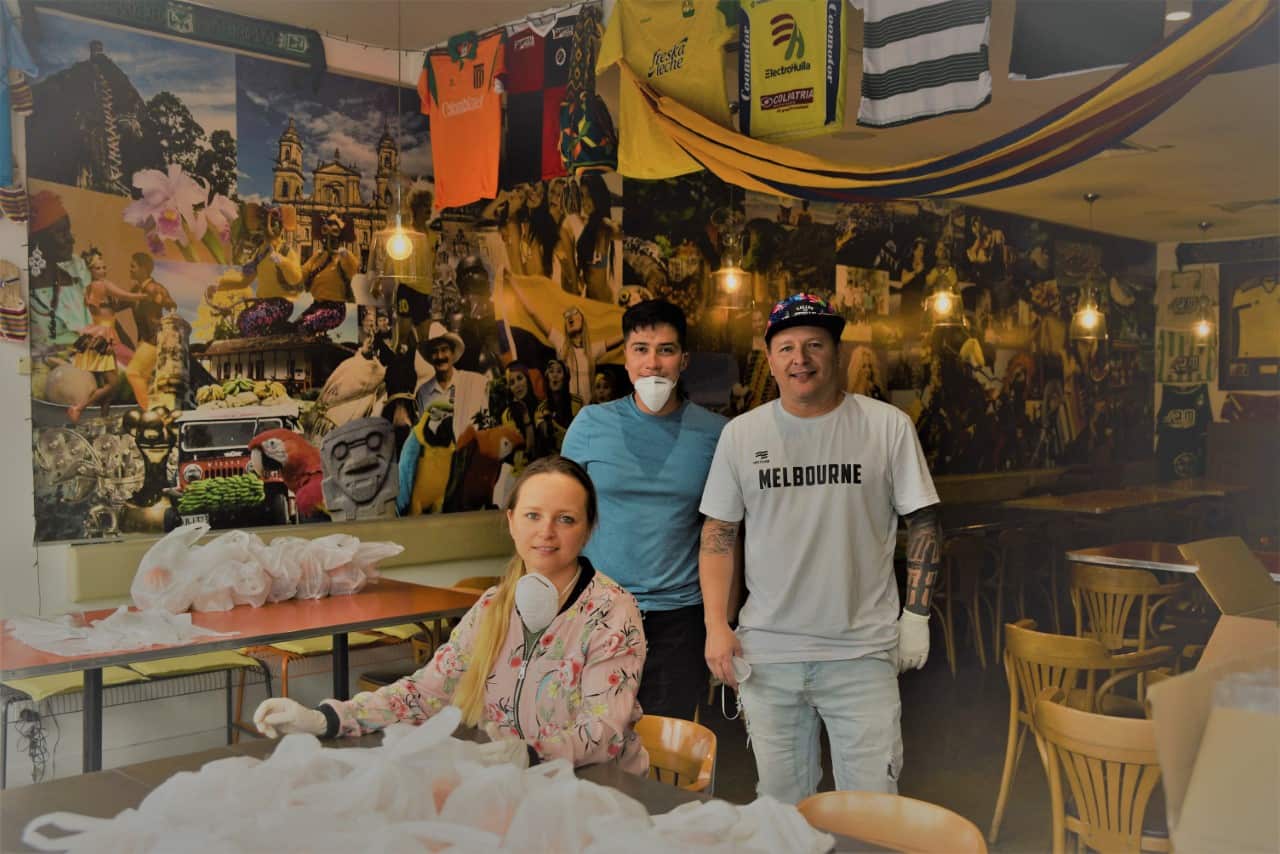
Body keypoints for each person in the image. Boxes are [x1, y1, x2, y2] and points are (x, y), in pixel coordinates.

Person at [253, 455, 649, 774]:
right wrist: (328, 719)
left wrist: (531, 753)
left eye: (565, 519)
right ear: (511, 521)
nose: (546, 531)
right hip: (517, 786)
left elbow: (603, 734)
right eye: (532, 515)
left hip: (598, 794)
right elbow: (426, 692)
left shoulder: (612, 611)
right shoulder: (494, 605)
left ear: (588, 529)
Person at [699, 292, 942, 804]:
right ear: (770, 359)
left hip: (861, 653)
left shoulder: (885, 426)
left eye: (813, 345)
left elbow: (923, 520)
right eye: (785, 347)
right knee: (783, 808)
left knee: (871, 808)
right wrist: (716, 625)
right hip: (768, 654)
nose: (800, 359)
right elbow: (718, 535)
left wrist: (916, 615)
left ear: (837, 351)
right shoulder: (742, 436)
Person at [562, 299, 727, 721]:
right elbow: (561, 518)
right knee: (590, 739)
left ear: (683, 360)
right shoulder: (588, 425)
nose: (653, 363)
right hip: (598, 611)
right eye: (640, 349)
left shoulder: (717, 434)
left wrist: (721, 623)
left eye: (666, 350)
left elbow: (723, 533)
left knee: (662, 744)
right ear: (625, 357)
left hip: (679, 619)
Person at [67, 248, 148, 423]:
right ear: (90, 271)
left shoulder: (88, 289)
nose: (103, 271)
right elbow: (126, 295)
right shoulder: (103, 285)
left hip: (95, 336)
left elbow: (108, 308)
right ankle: (78, 408)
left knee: (108, 385)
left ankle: (104, 417)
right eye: (98, 268)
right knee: (114, 382)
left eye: (104, 267)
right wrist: (145, 295)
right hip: (105, 338)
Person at [414, 321, 488, 442]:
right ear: (429, 357)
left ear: (453, 353)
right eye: (434, 351)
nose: (440, 356)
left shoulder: (474, 382)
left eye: (444, 350)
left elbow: (487, 425)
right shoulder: (423, 392)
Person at [123, 253, 177, 412]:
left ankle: (148, 410)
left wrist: (166, 309)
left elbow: (171, 305)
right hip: (144, 340)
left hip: (154, 339)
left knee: (133, 372)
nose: (130, 270)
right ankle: (155, 412)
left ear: (144, 269)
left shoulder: (155, 288)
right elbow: (119, 304)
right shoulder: (135, 289)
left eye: (133, 266)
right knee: (147, 379)